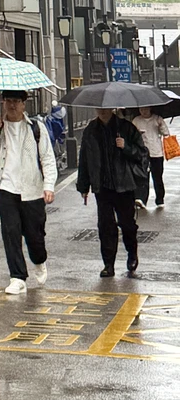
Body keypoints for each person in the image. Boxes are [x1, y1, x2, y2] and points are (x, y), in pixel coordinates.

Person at [0, 89, 58, 295]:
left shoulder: (36, 128)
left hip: (32, 190)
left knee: (35, 236)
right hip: (6, 189)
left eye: (16, 101)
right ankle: (17, 277)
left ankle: (39, 260)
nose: (12, 105)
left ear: (24, 104)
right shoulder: (0, 127)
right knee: (11, 233)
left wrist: (48, 186)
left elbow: (47, 158)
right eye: (8, 101)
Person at [76, 106, 150, 278]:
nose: (102, 111)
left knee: (127, 224)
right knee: (105, 226)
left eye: (105, 108)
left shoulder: (126, 128)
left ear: (112, 108)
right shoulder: (91, 130)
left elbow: (142, 154)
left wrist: (126, 147)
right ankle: (108, 264)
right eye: (99, 108)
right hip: (102, 187)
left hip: (124, 185)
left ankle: (132, 253)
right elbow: (84, 158)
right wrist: (83, 186)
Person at [132, 106, 170, 208]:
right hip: (142, 153)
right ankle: (141, 199)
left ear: (150, 109)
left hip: (156, 152)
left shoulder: (157, 119)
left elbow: (166, 133)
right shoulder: (136, 121)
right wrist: (137, 134)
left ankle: (160, 199)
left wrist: (161, 126)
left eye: (146, 109)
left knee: (157, 177)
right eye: (141, 109)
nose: (143, 111)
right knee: (142, 177)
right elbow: (131, 135)